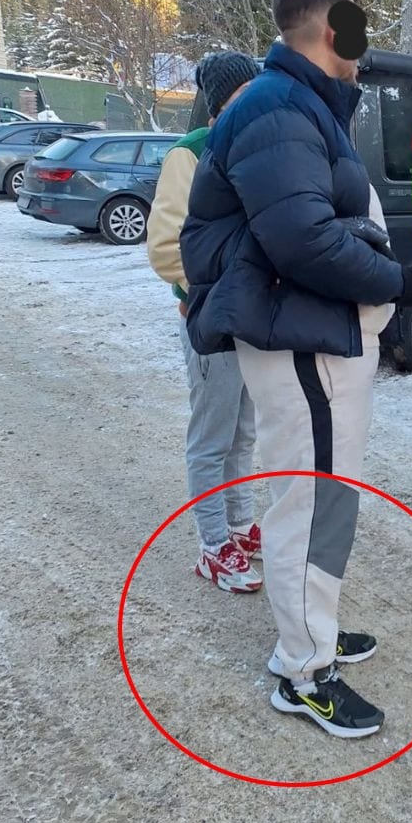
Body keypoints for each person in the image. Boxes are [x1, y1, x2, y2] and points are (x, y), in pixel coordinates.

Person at [180, 0, 412, 739]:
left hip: (319, 334)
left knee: (330, 494)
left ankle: (311, 633)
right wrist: (398, 280)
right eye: (361, 30)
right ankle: (303, 672)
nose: (365, 49)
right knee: (310, 497)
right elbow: (301, 239)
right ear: (333, 30)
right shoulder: (278, 106)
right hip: (301, 338)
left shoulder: (299, 105)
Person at [146, 50, 263, 593]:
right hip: (212, 321)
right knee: (211, 436)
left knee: (243, 433)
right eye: (245, 93)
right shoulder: (189, 155)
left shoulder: (257, 148)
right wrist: (222, 297)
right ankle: (212, 544)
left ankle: (239, 525)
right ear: (222, 100)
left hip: (253, 324)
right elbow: (168, 251)